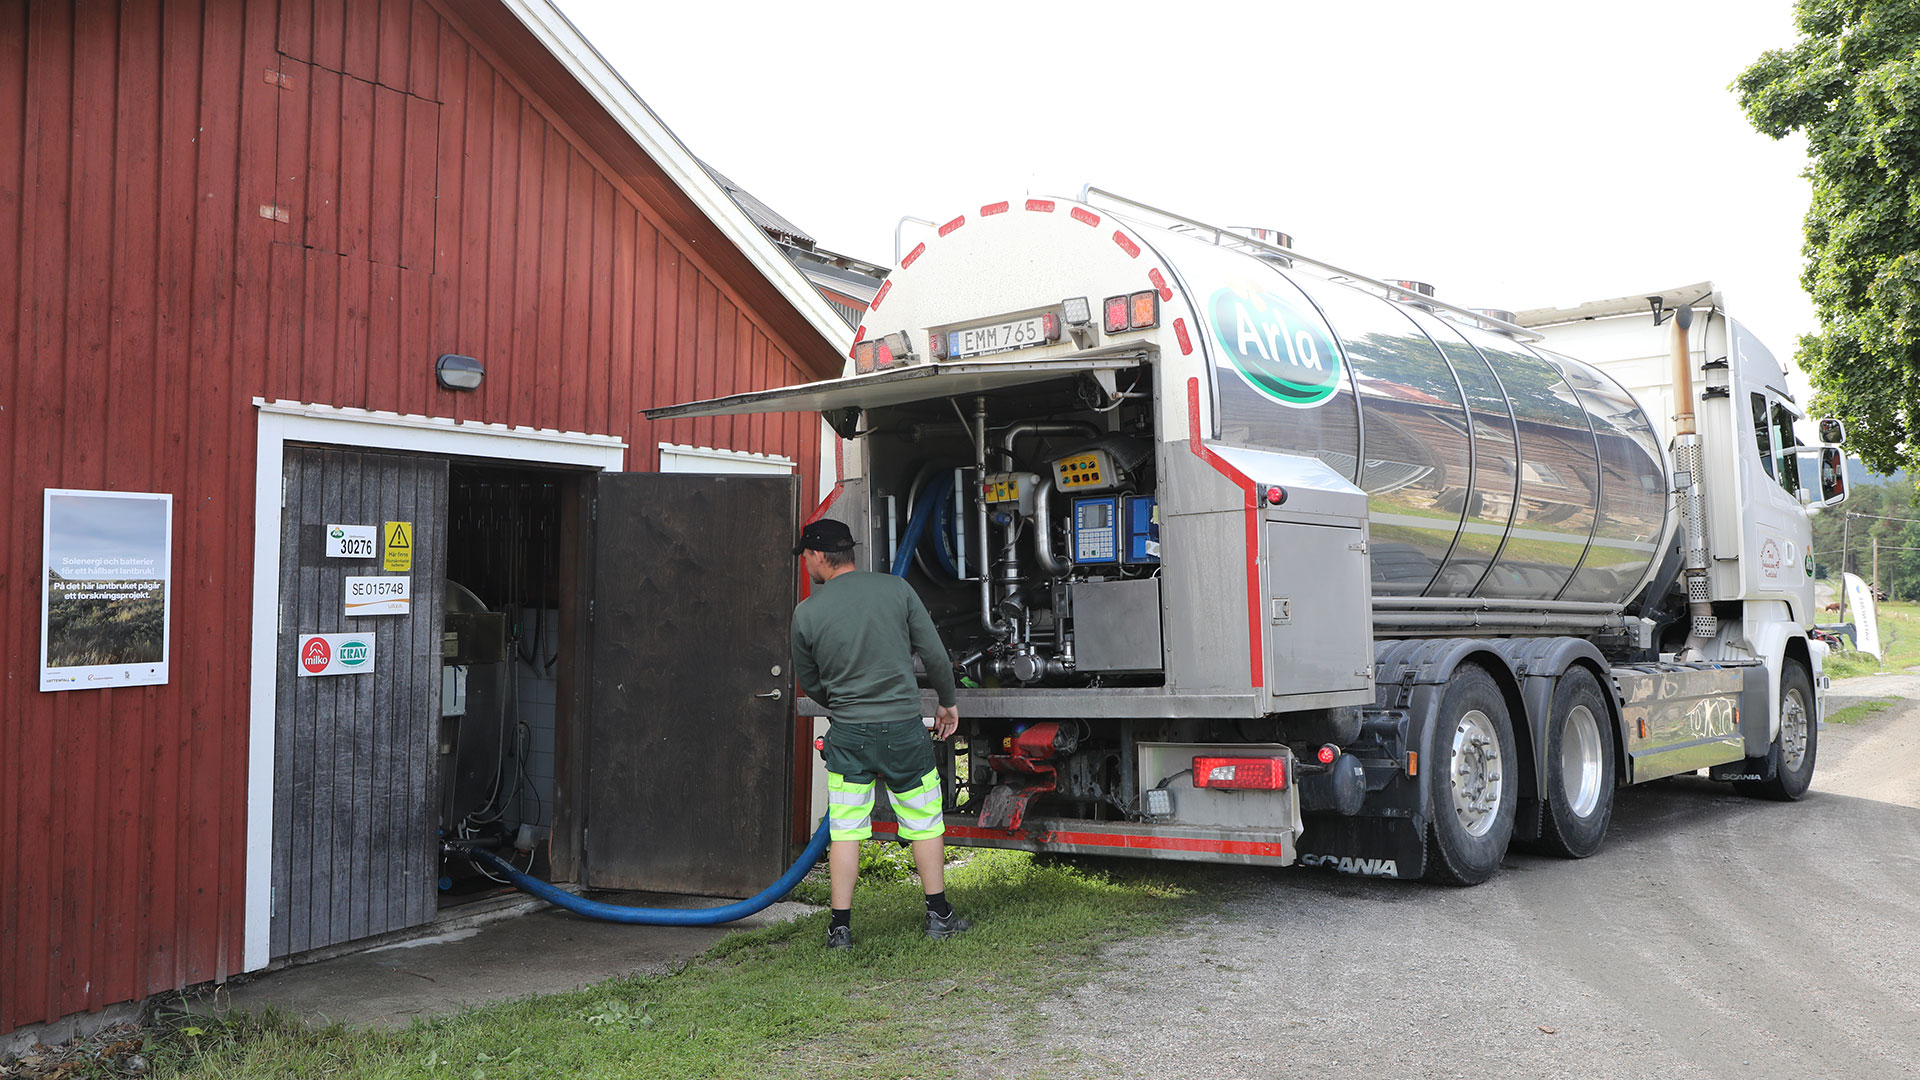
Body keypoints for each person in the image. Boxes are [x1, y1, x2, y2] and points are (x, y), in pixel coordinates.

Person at [789, 517, 969, 950]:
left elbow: (810, 681)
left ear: (816, 556)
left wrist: (845, 704)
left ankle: (840, 929)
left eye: (805, 559)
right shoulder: (897, 590)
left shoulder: (807, 612)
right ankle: (939, 915)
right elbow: (934, 654)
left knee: (847, 830)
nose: (806, 566)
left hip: (849, 735)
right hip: (905, 732)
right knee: (925, 823)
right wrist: (947, 701)